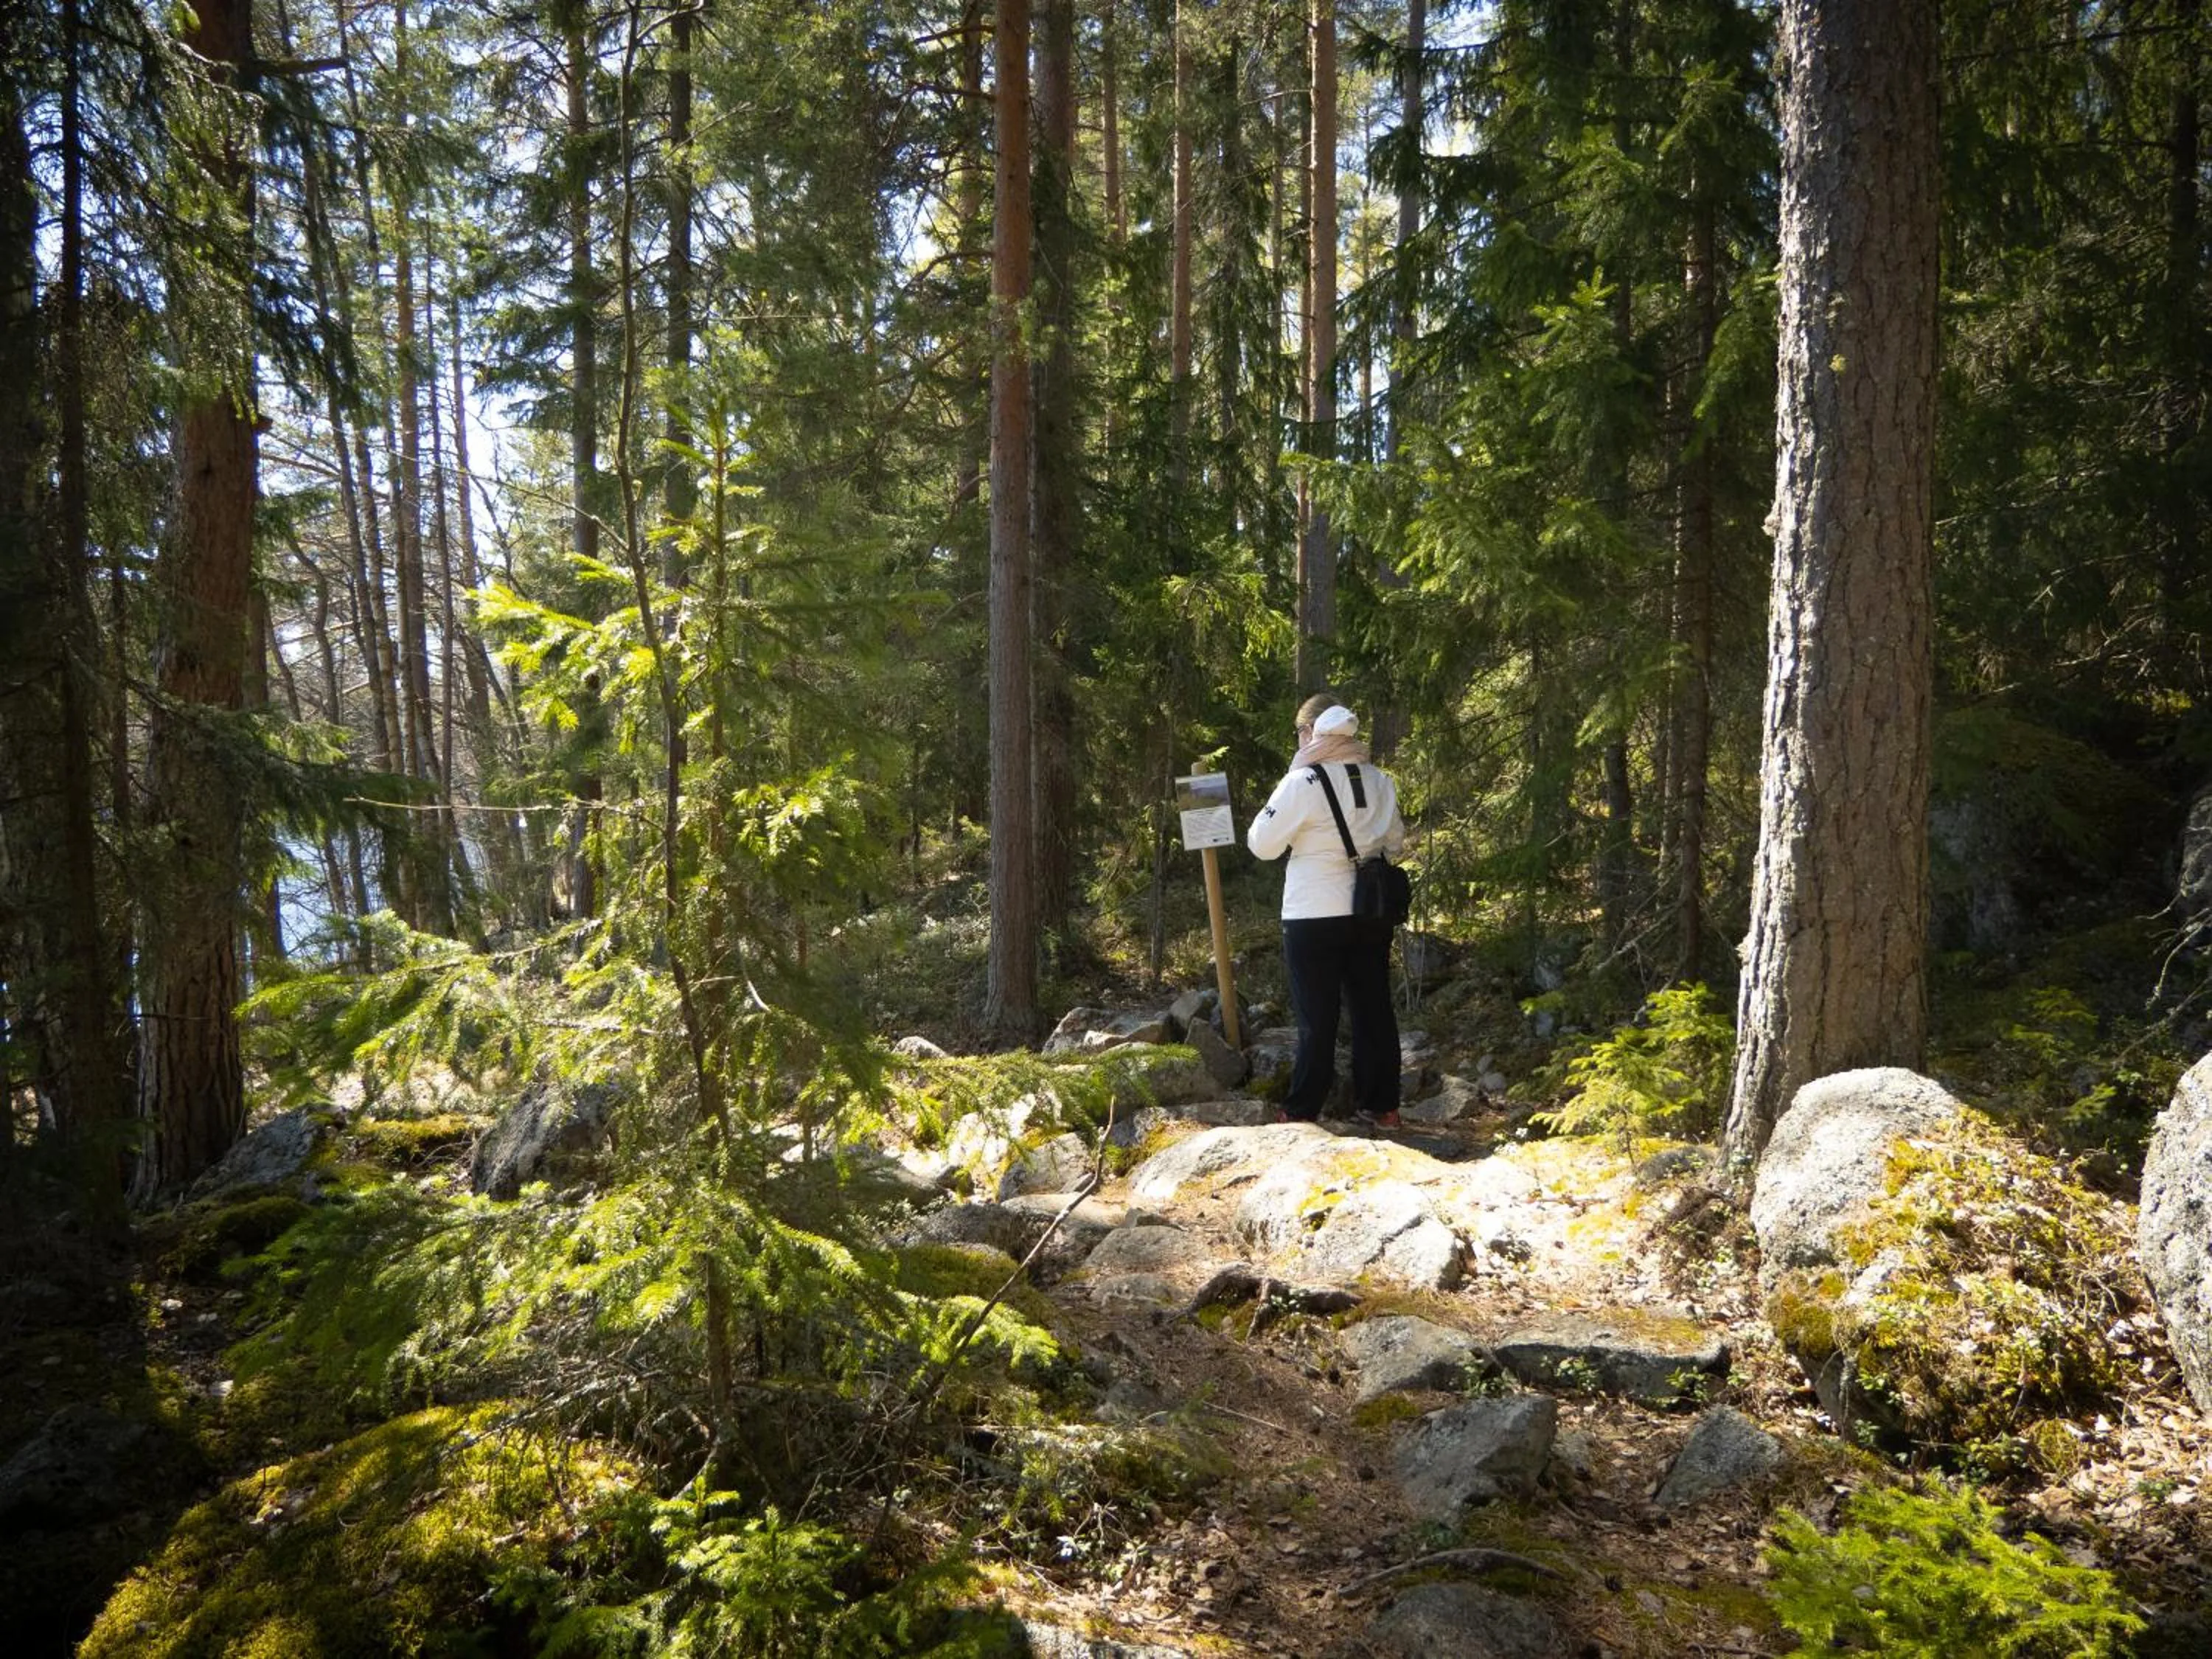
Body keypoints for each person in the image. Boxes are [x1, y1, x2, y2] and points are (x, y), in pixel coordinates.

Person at [1246, 695, 1406, 1127]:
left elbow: (1261, 844)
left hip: (1312, 911)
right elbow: (1395, 843)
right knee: (1373, 1007)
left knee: (1317, 1016)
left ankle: (1302, 1109)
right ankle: (1383, 1106)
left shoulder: (1301, 782)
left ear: (1309, 733)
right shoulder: (1379, 780)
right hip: (1369, 911)